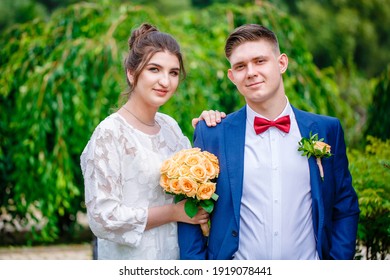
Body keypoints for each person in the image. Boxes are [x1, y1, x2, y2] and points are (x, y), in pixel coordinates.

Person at [179, 24, 360, 260]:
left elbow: (344, 206)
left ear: (282, 63)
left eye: (260, 61)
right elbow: (191, 211)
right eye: (241, 66)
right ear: (232, 76)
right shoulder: (212, 133)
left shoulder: (327, 130)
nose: (251, 72)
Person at [80, 23, 225, 260]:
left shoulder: (171, 127)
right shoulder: (109, 133)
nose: (165, 81)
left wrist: (209, 131)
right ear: (131, 72)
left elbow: (197, 188)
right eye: (154, 69)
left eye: (174, 72)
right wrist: (172, 213)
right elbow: (102, 218)